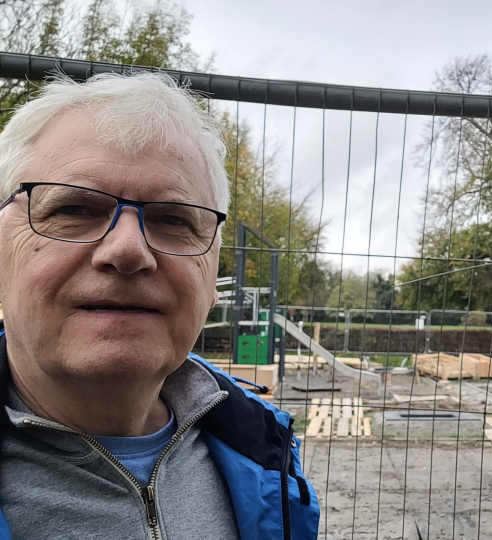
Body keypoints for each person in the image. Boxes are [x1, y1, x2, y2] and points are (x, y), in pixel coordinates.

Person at [0, 72, 319, 539]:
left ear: (210, 278)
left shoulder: (261, 446)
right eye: (74, 210)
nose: (128, 249)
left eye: (173, 219)